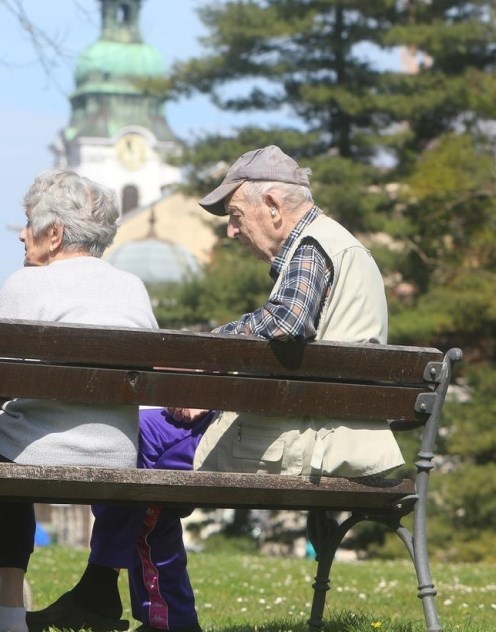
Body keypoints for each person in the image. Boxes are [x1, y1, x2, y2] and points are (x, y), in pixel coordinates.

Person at [27, 145, 400, 632]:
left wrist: (206, 362)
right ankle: (125, 604)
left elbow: (284, 323)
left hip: (315, 440)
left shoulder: (313, 248)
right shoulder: (336, 246)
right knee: (144, 455)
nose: (230, 228)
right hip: (322, 426)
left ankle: (119, 602)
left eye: (235, 213)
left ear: (272, 205)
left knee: (131, 447)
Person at [0, 169, 158, 632]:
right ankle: (8, 611)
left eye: (28, 221)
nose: (21, 233)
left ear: (54, 233)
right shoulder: (132, 288)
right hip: (117, 456)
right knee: (6, 442)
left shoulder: (28, 284)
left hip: (32, 450)